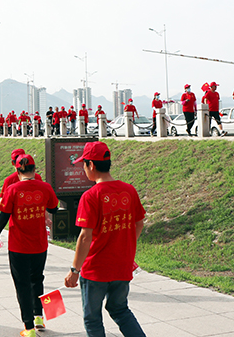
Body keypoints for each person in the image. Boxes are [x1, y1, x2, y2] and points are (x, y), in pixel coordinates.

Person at [64, 142, 146, 337]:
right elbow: (139, 223)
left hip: (96, 270)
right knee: (120, 310)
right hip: (122, 266)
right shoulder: (129, 190)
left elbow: (85, 237)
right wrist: (126, 249)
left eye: (84, 164)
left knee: (92, 319)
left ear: (91, 165)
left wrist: (74, 270)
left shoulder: (91, 196)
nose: (84, 169)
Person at [0, 154, 59, 337]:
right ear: (35, 170)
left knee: (22, 284)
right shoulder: (45, 187)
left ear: (17, 170)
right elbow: (54, 208)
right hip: (40, 245)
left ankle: (28, 327)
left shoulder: (12, 190)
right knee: (37, 279)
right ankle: (39, 317)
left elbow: (4, 216)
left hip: (18, 247)